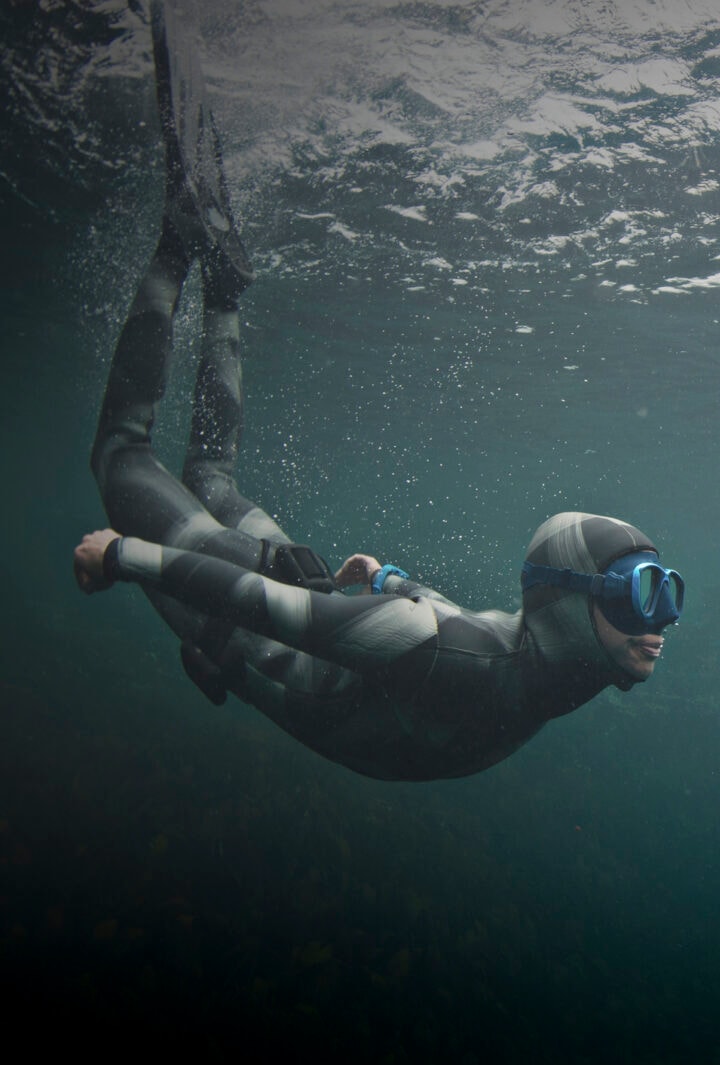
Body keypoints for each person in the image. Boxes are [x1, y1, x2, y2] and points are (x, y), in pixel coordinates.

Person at [72, 1, 684, 782]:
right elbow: (271, 609)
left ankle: (223, 286)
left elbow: (463, 628)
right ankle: (179, 243)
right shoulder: (460, 658)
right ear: (569, 597)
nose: (660, 621)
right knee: (120, 452)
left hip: (323, 607)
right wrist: (124, 555)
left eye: (665, 593)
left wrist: (395, 581)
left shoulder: (521, 662)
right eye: (640, 594)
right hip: (248, 622)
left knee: (211, 483)